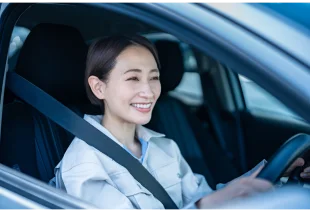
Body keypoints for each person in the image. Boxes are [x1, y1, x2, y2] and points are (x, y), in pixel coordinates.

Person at [52, 35, 310, 210]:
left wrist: (267, 176)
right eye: (133, 78)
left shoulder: (164, 147)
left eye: (154, 78)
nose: (149, 91)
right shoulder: (84, 166)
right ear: (99, 88)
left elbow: (202, 197)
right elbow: (203, 205)